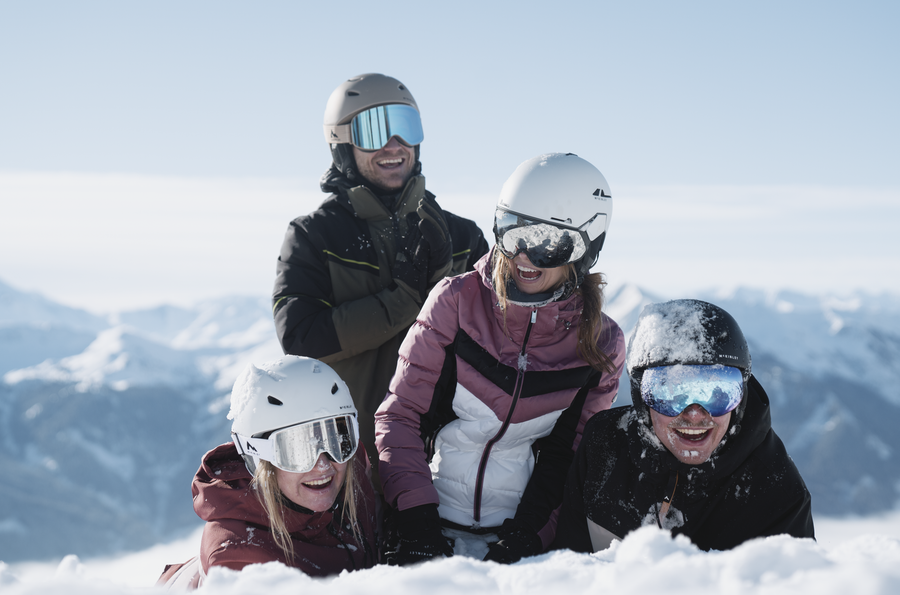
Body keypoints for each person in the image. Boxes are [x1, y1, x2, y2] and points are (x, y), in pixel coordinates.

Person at [375, 153, 626, 565]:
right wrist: (416, 519)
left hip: (517, 540)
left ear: (585, 248)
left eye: (547, 243)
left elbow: (570, 459)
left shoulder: (600, 344)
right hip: (425, 519)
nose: (524, 256)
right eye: (513, 233)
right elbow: (400, 415)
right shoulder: (456, 303)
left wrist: (528, 537)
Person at [272, 73, 489, 460]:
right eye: (373, 130)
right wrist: (406, 300)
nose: (395, 144)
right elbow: (302, 338)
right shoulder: (315, 236)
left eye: (406, 127)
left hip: (447, 468)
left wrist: (439, 284)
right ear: (341, 143)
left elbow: (494, 343)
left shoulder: (461, 237)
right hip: (352, 466)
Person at [552, 299, 815, 553]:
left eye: (718, 392)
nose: (695, 414)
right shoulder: (604, 447)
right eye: (671, 392)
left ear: (741, 399)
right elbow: (569, 564)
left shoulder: (774, 489)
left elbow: (790, 592)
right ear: (641, 397)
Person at [157, 356, 378, 589]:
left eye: (337, 440)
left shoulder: (352, 475)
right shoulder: (239, 563)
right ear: (259, 458)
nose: (323, 464)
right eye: (296, 450)